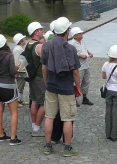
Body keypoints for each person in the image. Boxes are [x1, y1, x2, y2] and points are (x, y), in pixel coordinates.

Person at [41, 16, 81, 157]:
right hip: (66, 88)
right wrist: (79, 88)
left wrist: (46, 83)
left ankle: (48, 146)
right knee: (68, 118)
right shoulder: (70, 49)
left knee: (49, 117)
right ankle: (68, 148)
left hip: (51, 86)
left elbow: (44, 69)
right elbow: (75, 72)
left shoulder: (46, 46)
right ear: (66, 31)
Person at [0, 34, 21, 145]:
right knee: (14, 112)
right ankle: (13, 138)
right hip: (9, 86)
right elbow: (13, 72)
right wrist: (16, 70)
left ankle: (1, 135)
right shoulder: (9, 55)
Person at [102, 45, 117, 141]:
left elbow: (104, 76)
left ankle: (108, 133)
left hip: (108, 90)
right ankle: (114, 135)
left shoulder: (105, 64)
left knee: (108, 113)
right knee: (116, 113)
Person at [26, 21, 46, 137]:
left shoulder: (28, 45)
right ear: (36, 32)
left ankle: (34, 125)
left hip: (31, 77)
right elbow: (45, 65)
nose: (42, 31)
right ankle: (37, 127)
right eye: (41, 29)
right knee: (44, 103)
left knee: (33, 100)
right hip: (39, 77)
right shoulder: (39, 47)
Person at [69, 27, 94, 106]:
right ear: (75, 36)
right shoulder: (72, 43)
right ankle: (74, 98)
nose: (81, 34)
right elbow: (71, 54)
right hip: (79, 66)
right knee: (77, 82)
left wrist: (89, 53)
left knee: (86, 82)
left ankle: (85, 98)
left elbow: (85, 49)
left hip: (86, 65)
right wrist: (80, 55)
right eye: (80, 33)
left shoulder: (82, 41)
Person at [12, 33, 29, 106]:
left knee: (21, 86)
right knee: (19, 86)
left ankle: (20, 100)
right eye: (24, 39)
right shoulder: (17, 49)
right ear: (21, 41)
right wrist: (16, 72)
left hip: (22, 69)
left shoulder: (20, 48)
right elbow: (16, 61)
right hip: (19, 70)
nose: (25, 40)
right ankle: (18, 101)